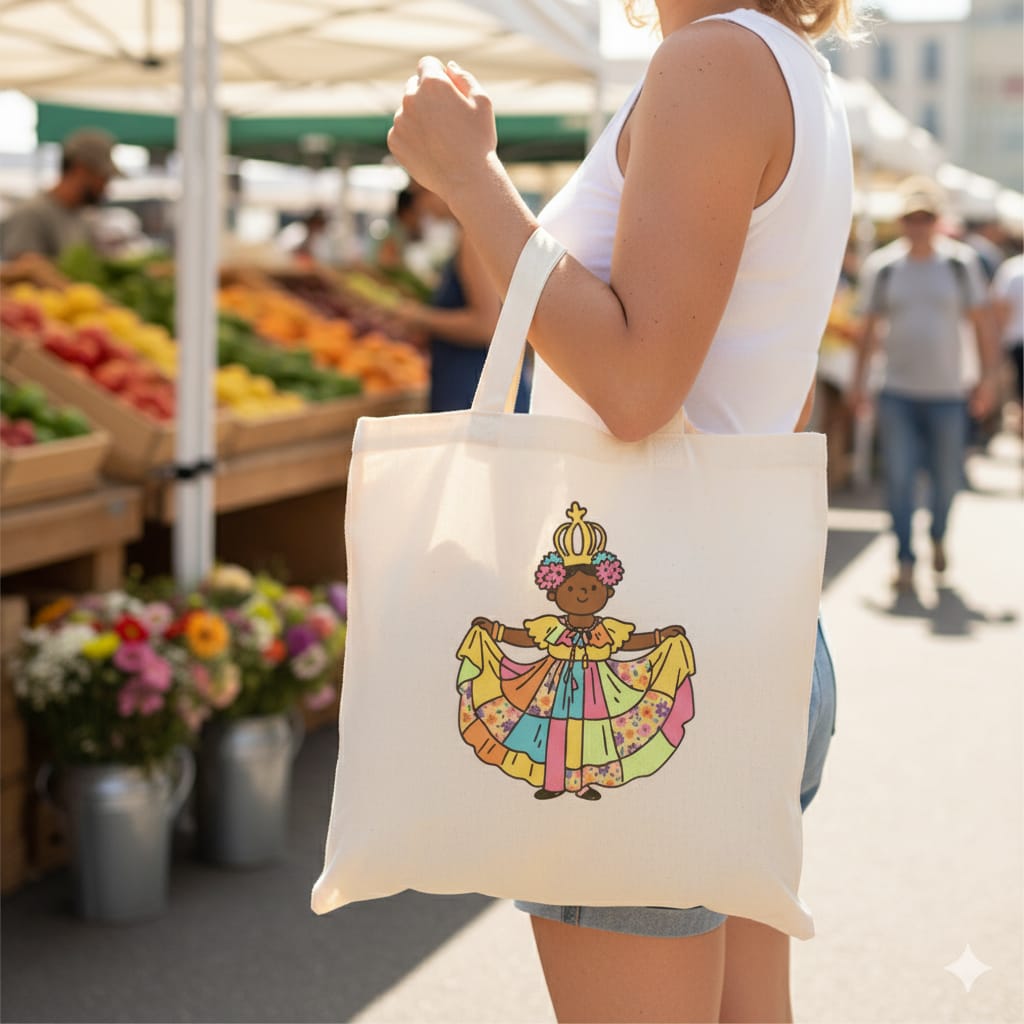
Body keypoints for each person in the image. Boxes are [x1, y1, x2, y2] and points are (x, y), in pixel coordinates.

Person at [388, 0, 852, 1019]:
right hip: (744, 618)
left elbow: (637, 388)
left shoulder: (712, 62)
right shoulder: (787, 70)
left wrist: (469, 178)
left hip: (634, 649)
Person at [848, 181, 999, 592]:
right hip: (896, 390)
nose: (918, 225)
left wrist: (988, 379)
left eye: (925, 217)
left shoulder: (960, 264)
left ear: (937, 221)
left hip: (949, 392)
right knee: (898, 477)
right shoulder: (884, 267)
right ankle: (904, 558)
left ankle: (937, 535)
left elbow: (982, 324)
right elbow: (867, 330)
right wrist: (858, 384)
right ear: (901, 221)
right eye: (911, 218)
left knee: (947, 479)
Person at [391, 232, 531, 412]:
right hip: (480, 387)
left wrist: (420, 317)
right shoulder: (487, 235)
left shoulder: (474, 237)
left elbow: (486, 326)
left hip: (473, 387)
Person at [1, 129, 120, 261]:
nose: (105, 187)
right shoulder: (31, 213)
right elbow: (21, 267)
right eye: (104, 178)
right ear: (81, 170)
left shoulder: (83, 216)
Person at [991, 252, 1023, 426]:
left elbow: (1000, 308)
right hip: (1017, 342)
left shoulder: (1012, 269)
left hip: (1016, 342)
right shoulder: (1012, 269)